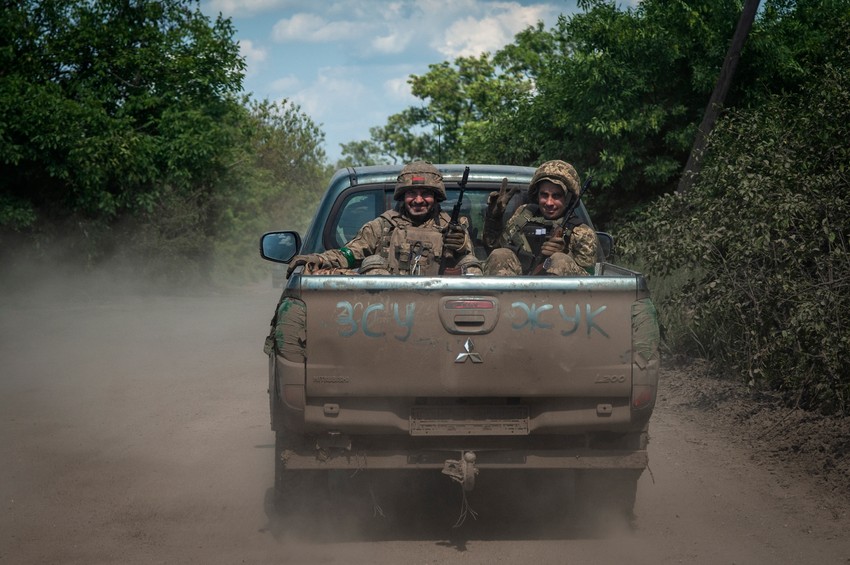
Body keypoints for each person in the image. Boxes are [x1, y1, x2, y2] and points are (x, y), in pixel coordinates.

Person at [286, 161, 481, 276]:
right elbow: (349, 254)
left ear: (436, 197)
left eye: (426, 194)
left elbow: (470, 257)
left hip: (445, 307)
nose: (418, 200)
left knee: (471, 265)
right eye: (412, 193)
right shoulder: (383, 226)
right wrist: (318, 258)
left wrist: (460, 245)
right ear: (403, 196)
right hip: (386, 311)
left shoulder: (453, 228)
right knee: (373, 263)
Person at [482, 159, 598, 276]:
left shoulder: (582, 233)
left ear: (568, 198)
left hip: (559, 293)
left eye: (556, 196)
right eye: (544, 195)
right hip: (515, 289)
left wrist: (565, 254)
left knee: (560, 260)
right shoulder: (524, 214)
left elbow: (589, 280)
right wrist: (493, 219)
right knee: (500, 255)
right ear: (537, 194)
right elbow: (495, 247)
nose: (549, 202)